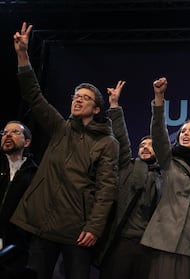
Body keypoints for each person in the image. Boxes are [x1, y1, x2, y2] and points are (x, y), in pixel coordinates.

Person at [10, 22, 120, 279]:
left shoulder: (107, 143)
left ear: (96, 109)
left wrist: (94, 227)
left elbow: (107, 190)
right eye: (75, 96)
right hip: (43, 225)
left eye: (85, 97)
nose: (78, 99)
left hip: (77, 232)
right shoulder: (61, 128)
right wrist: (23, 55)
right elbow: (34, 97)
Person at [140, 77, 190, 279]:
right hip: (166, 239)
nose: (185, 133)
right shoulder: (169, 160)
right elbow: (158, 134)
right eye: (182, 131)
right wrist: (159, 98)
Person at [98, 81, 162, 279]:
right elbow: (121, 137)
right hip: (123, 242)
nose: (144, 147)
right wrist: (115, 106)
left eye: (151, 145)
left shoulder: (165, 174)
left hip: (150, 246)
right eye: (142, 144)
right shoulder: (129, 166)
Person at [0, 121, 37, 278]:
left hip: (16, 248)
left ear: (26, 142)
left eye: (15, 132)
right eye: (5, 132)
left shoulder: (35, 174)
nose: (7, 135)